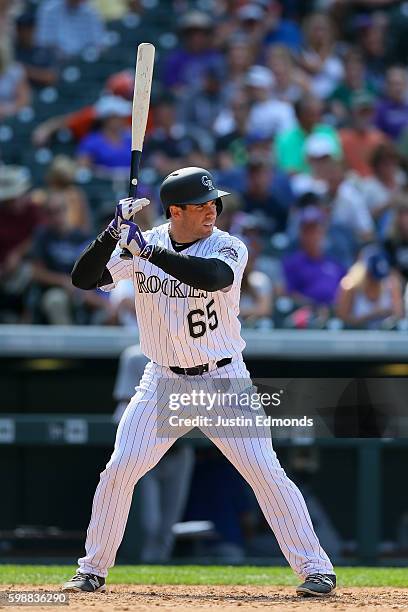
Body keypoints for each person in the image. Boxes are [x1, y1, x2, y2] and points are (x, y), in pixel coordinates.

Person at [62, 167, 336, 596]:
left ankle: (316, 569)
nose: (211, 209)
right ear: (174, 211)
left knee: (265, 473)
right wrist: (112, 233)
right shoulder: (144, 241)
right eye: (200, 204)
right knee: (119, 470)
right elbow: (83, 278)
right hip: (162, 382)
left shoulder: (228, 246)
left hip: (223, 380)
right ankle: (91, 569)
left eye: (213, 202)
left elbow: (213, 278)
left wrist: (146, 255)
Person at [336, 247, 403, 329]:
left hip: (386, 339)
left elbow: (399, 316)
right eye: (372, 276)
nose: (376, 282)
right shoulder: (350, 287)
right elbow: (342, 320)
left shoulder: (391, 284)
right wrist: (370, 316)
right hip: (356, 338)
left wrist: (387, 313)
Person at [34, 0, 106, 60]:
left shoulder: (91, 12)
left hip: (85, 61)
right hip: (56, 60)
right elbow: (44, 41)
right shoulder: (49, 10)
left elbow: (99, 43)